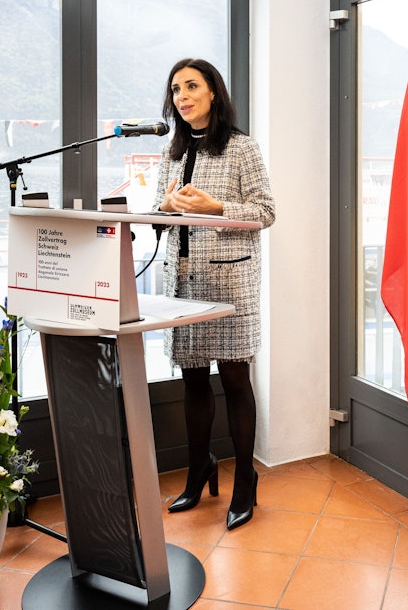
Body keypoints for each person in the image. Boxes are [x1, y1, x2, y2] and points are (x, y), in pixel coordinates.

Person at [153, 58, 275, 530]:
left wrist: (217, 207)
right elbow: (158, 215)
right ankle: (199, 468)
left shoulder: (242, 148)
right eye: (175, 89)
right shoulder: (173, 151)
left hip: (228, 283)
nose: (182, 97)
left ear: (212, 93)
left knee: (235, 379)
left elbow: (265, 211)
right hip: (182, 284)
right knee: (193, 380)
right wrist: (165, 207)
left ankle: (245, 478)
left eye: (191, 87)